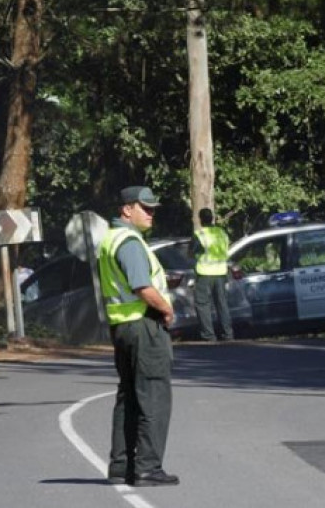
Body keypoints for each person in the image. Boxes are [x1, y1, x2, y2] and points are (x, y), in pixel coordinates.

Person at [98, 186, 179, 487]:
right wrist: (166, 310)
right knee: (154, 396)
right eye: (145, 208)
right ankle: (147, 468)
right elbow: (141, 287)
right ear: (126, 209)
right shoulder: (130, 241)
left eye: (153, 208)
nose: (151, 213)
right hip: (144, 326)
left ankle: (121, 465)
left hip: (122, 328)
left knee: (129, 397)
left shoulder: (110, 238)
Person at [191, 208, 234, 342]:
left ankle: (208, 336)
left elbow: (192, 252)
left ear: (200, 219)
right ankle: (228, 334)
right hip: (221, 272)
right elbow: (227, 249)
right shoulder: (222, 233)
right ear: (212, 218)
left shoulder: (200, 234)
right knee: (222, 304)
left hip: (204, 272)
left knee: (202, 304)